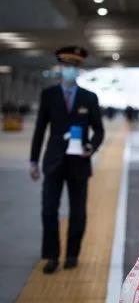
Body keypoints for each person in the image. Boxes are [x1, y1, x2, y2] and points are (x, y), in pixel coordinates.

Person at [30, 46, 105, 274]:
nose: (69, 70)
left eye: (74, 67)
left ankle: (72, 254)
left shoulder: (89, 98)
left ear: (78, 70)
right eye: (66, 66)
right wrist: (33, 161)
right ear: (60, 68)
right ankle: (52, 256)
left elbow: (99, 130)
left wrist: (90, 147)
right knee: (48, 210)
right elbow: (40, 129)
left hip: (79, 164)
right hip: (52, 162)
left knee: (78, 211)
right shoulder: (49, 95)